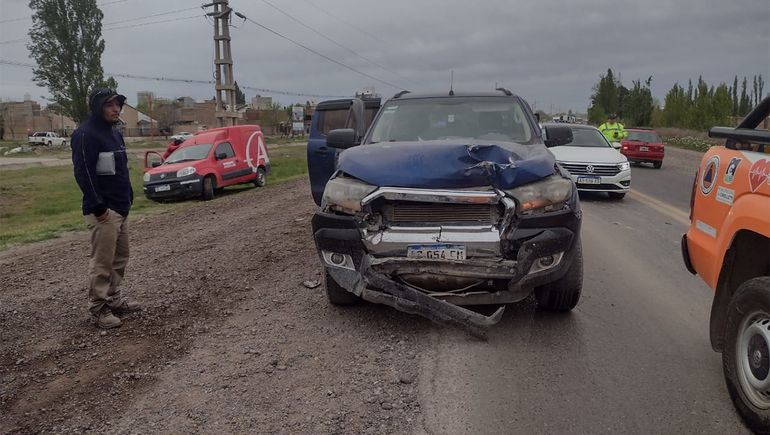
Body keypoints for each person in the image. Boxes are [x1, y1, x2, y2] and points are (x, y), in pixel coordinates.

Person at [71, 88, 141, 329]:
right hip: (103, 211)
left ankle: (113, 298)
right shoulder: (85, 134)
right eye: (110, 105)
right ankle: (99, 308)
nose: (116, 109)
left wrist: (128, 195)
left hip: (121, 208)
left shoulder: (114, 132)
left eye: (118, 104)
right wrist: (99, 206)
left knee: (121, 257)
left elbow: (120, 168)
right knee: (102, 261)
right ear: (98, 107)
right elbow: (84, 173)